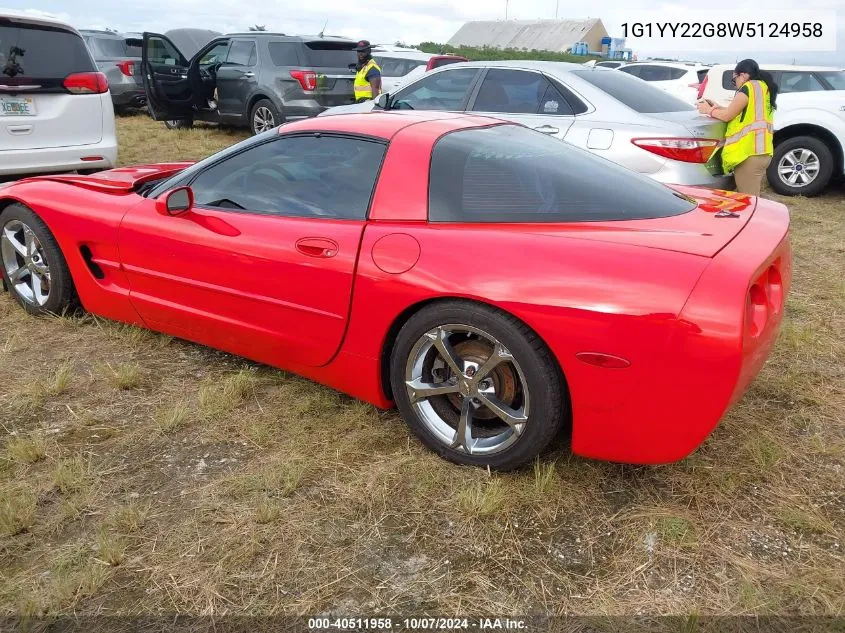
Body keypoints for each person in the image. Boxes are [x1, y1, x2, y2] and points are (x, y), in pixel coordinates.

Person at [697, 59, 778, 196]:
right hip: (761, 152)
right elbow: (742, 113)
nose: (735, 85)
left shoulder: (748, 87)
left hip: (749, 154)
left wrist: (707, 110)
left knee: (749, 199)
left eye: (734, 80)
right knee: (750, 196)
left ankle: (756, 218)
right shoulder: (763, 88)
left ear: (743, 75)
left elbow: (728, 116)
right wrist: (718, 107)